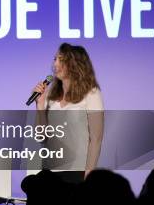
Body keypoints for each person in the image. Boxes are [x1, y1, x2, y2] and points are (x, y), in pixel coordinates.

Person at [33, 43, 104, 180]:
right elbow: (41, 137)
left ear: (75, 64)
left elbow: (96, 139)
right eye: (55, 59)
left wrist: (88, 175)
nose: (56, 65)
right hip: (49, 172)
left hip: (77, 172)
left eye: (61, 60)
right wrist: (40, 105)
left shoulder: (91, 93)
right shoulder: (50, 96)